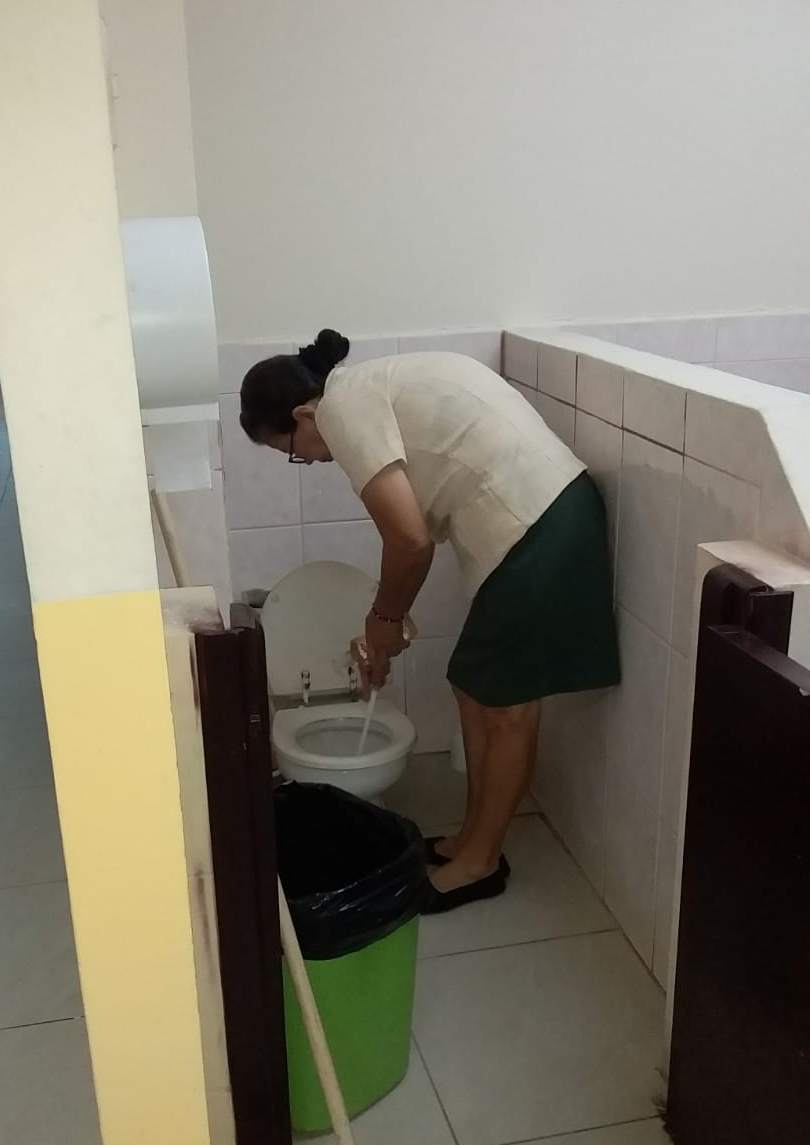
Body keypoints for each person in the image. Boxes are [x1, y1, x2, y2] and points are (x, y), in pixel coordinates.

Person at [240, 329, 620, 914]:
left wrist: (384, 620)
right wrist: (387, 620)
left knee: (507, 708)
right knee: (473, 686)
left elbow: (410, 541)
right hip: (537, 520)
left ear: (302, 415)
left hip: (540, 525)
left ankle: (480, 863)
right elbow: (414, 533)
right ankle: (471, 839)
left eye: (293, 450)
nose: (309, 461)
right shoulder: (368, 388)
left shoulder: (342, 407)